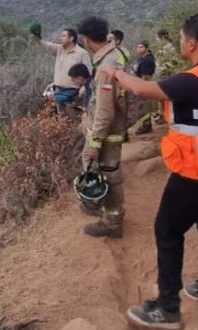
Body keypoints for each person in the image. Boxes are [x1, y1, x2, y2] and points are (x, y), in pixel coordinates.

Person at [99, 13, 198, 330]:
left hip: (195, 173)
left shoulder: (197, 79)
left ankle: (167, 308)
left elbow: (144, 90)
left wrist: (114, 73)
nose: (179, 43)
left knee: (167, 231)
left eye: (180, 38)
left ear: (191, 43)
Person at [78, 16, 130, 237]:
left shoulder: (105, 67)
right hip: (115, 127)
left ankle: (112, 222)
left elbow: (105, 111)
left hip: (107, 133)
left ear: (87, 39)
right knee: (108, 171)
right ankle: (107, 212)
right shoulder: (117, 54)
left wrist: (95, 142)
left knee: (108, 173)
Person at [32, 25, 91, 113]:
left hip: (75, 93)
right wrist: (37, 37)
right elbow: (46, 46)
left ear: (71, 38)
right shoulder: (59, 49)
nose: (61, 38)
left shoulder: (82, 53)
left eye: (63, 36)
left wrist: (84, 88)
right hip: (58, 92)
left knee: (74, 119)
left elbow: (89, 73)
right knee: (60, 119)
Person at [129, 41, 157, 134]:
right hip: (143, 84)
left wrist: (140, 86)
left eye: (141, 47)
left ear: (146, 49)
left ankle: (146, 125)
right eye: (138, 47)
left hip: (145, 85)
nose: (138, 49)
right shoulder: (143, 59)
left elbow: (146, 76)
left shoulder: (147, 60)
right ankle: (146, 124)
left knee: (145, 106)